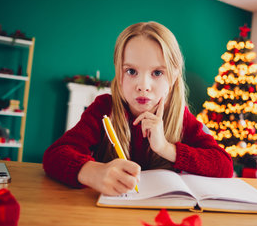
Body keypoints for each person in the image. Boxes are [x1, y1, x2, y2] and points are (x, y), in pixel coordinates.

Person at [43, 21, 233, 195]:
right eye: (131, 71)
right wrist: (94, 173)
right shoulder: (103, 109)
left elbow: (224, 165)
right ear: (119, 72)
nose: (143, 85)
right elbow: (55, 155)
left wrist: (166, 148)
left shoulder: (180, 117)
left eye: (157, 72)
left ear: (174, 77)